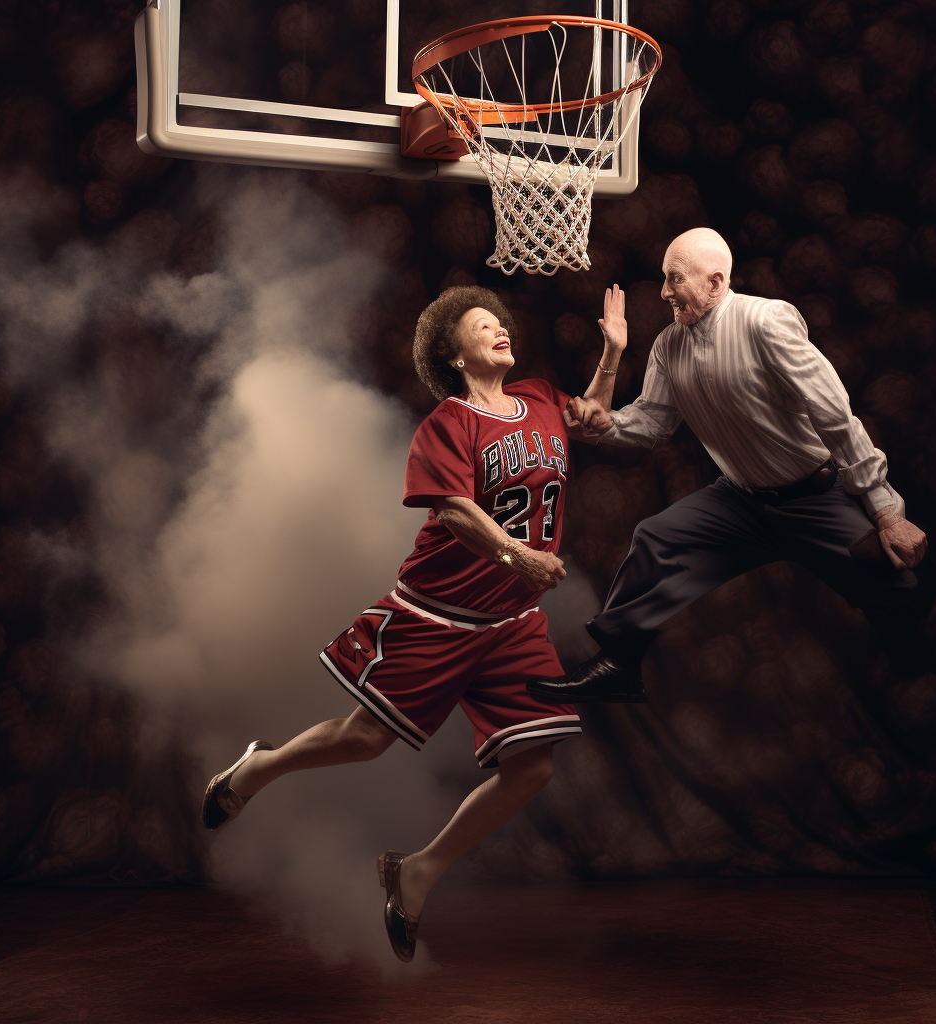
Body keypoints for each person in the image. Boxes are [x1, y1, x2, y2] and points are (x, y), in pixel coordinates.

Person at [201, 284, 626, 962]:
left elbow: (597, 416)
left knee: (533, 767)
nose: (499, 330)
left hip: (511, 621)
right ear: (453, 354)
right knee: (367, 739)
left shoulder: (542, 395)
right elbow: (455, 511)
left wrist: (612, 351)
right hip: (435, 614)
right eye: (482, 325)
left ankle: (418, 871)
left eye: (501, 322)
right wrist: (518, 554)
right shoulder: (448, 424)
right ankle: (260, 768)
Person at [529, 227, 929, 706]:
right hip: (740, 502)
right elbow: (652, 422)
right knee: (656, 539)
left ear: (716, 282)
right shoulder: (667, 346)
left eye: (674, 279)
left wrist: (885, 510)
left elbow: (835, 414)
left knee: (898, 585)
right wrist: (603, 425)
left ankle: (916, 667)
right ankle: (618, 663)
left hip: (813, 496)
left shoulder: (765, 322)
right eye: (663, 279)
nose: (663, 292)